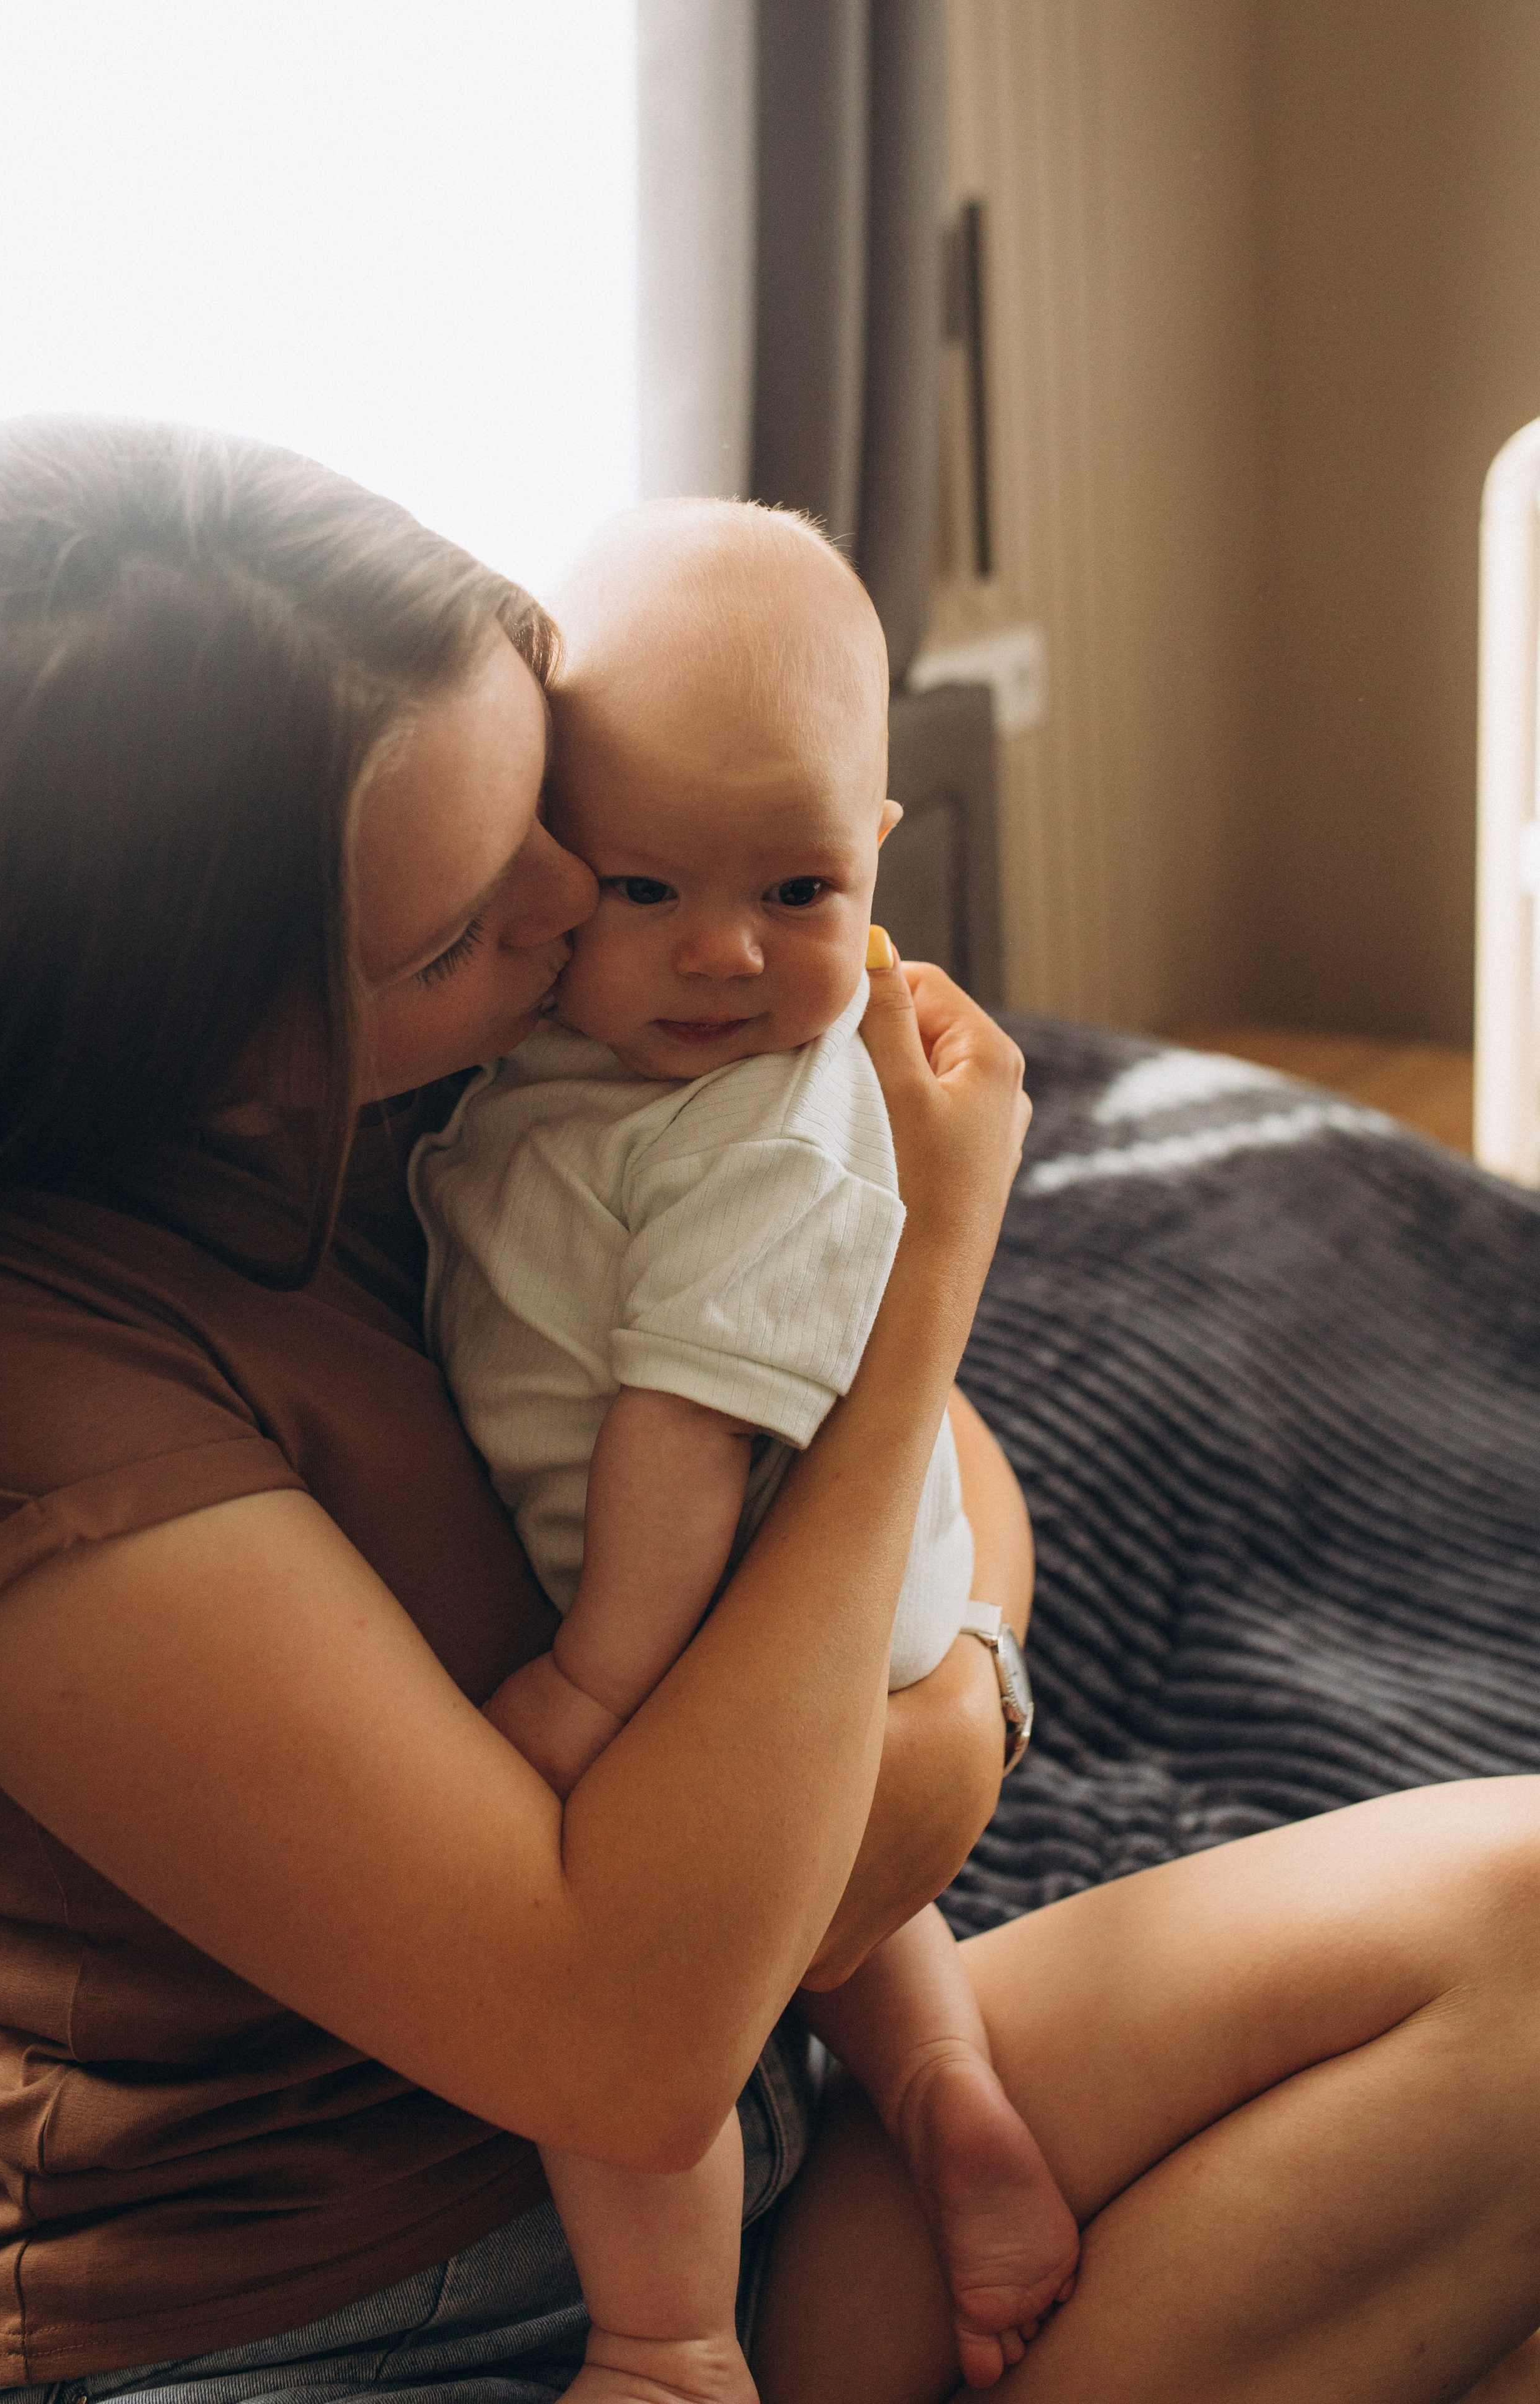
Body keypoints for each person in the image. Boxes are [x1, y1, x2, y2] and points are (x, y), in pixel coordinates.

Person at [0, 418, 1538, 2404]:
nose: (578, 919)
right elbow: (632, 2027)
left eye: (546, 797)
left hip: (746, 2144)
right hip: (343, 2325)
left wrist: (915, 1681)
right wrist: (927, 1286)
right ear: (207, 1034)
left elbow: (961, 1520)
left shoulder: (460, 1072)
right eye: (459, 928)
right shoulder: (18, 1391)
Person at [410, 499, 1079, 2400]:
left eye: (795, 894)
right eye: (647, 893)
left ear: (875, 851)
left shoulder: (767, 1129)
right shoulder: (573, 1055)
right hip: (812, 1596)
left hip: (722, 1610)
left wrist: (602, 1674)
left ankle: (669, 2333)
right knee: (865, 1938)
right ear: (546, 869)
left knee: (638, 2023)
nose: (720, 958)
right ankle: (953, 2100)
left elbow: (688, 1427)